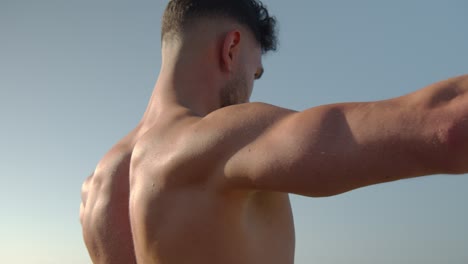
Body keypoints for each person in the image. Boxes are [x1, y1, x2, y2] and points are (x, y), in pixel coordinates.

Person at [79, 0, 468, 263]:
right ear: (231, 48)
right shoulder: (220, 142)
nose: (252, 86)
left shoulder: (98, 188)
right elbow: (447, 130)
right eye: (255, 72)